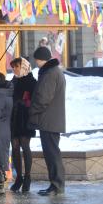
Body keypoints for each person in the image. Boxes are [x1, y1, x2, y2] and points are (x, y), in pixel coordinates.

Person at [29, 47, 66, 196]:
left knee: (52, 154)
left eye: (36, 60)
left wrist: (31, 110)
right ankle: (55, 185)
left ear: (40, 59)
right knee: (52, 153)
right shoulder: (54, 71)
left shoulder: (50, 73)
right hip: (51, 120)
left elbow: (43, 98)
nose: (36, 63)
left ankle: (57, 185)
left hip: (49, 121)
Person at [9, 57, 37, 193]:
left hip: (25, 118)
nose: (14, 69)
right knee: (14, 147)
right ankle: (18, 177)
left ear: (24, 67)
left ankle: (27, 177)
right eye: (13, 67)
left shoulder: (32, 81)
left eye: (17, 66)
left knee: (25, 146)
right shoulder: (13, 81)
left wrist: (24, 104)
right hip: (13, 118)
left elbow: (35, 101)